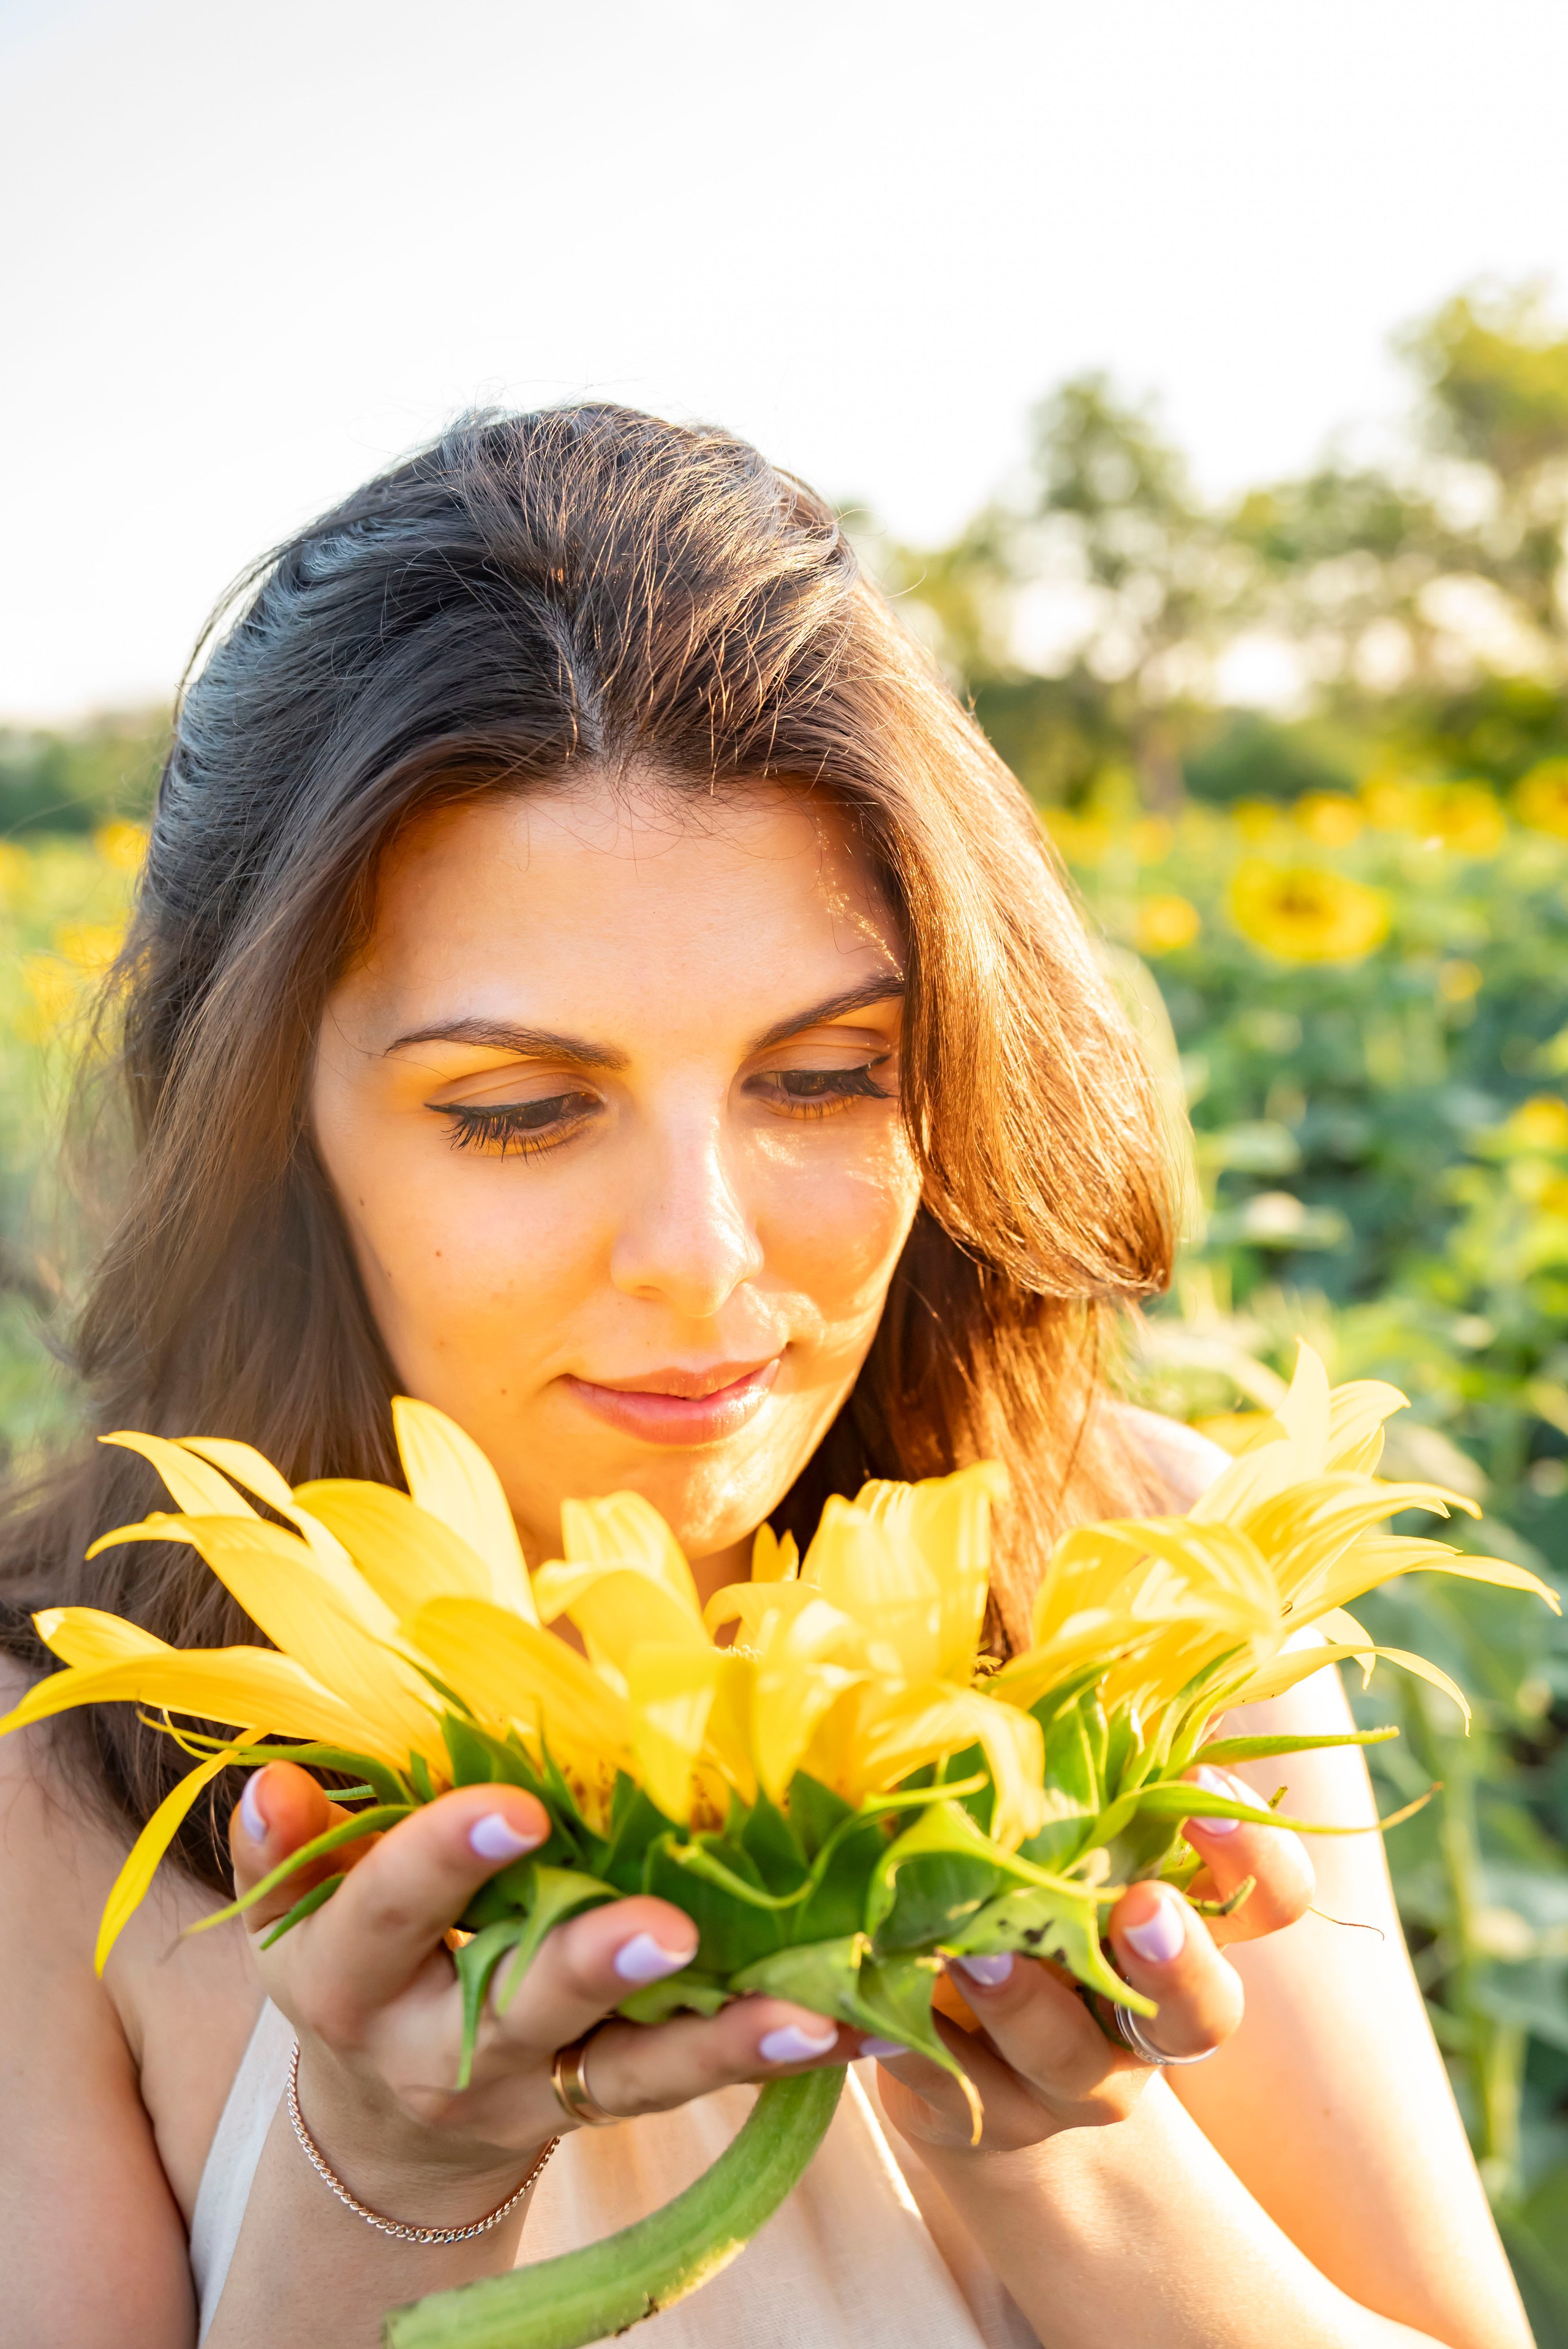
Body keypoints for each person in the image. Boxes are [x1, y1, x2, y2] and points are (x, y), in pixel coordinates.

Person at [0, 407, 1526, 2349]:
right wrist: (383, 2186)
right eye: (526, 1108)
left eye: (826, 1077)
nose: (711, 1261)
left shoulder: (1153, 1580)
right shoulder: (52, 1767)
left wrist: (1055, 2139)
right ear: (267, 1131)